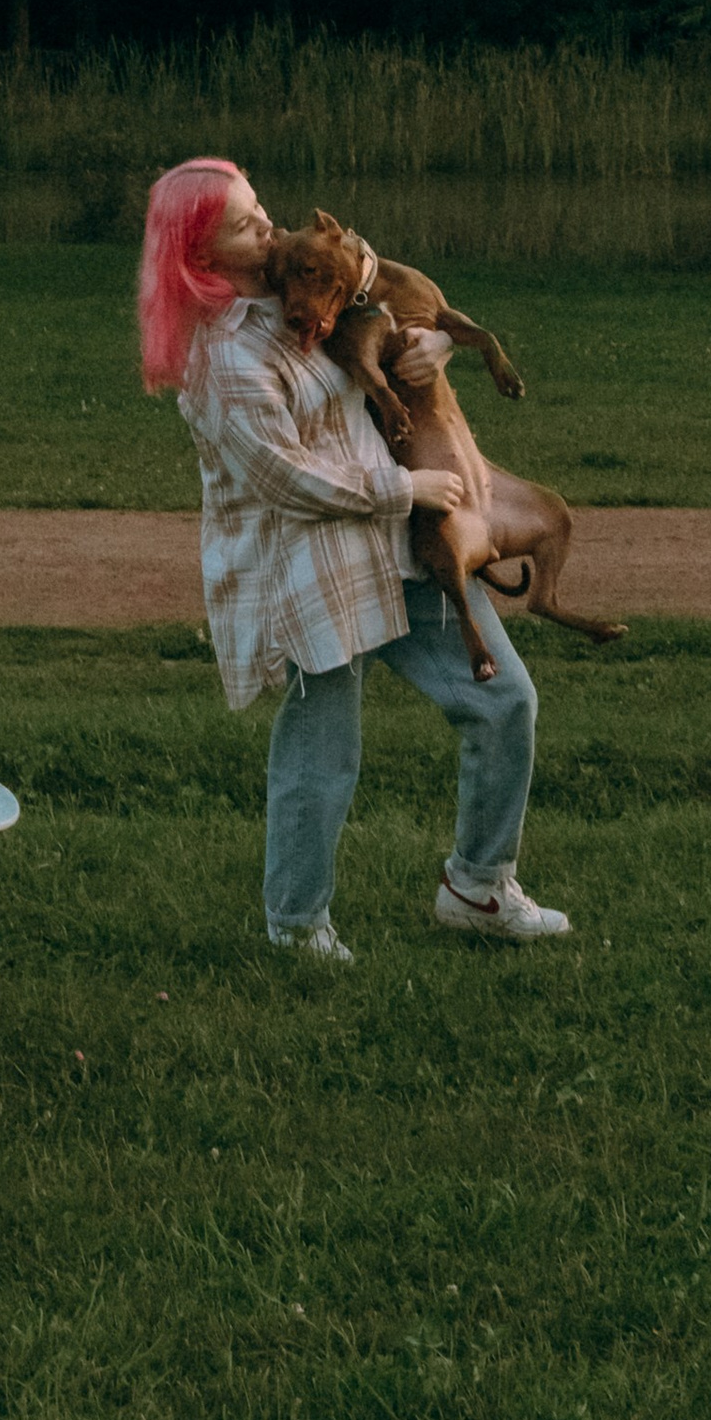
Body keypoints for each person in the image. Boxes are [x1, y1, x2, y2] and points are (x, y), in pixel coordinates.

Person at [138, 153, 569, 962]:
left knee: (505, 699)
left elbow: (399, 329)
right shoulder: (223, 356)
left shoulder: (307, 286)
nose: (266, 225)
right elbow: (283, 476)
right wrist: (405, 489)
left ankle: (479, 887)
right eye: (242, 223)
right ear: (200, 257)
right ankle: (296, 928)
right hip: (306, 564)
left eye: (259, 205)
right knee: (324, 750)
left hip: (399, 545)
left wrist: (428, 350)